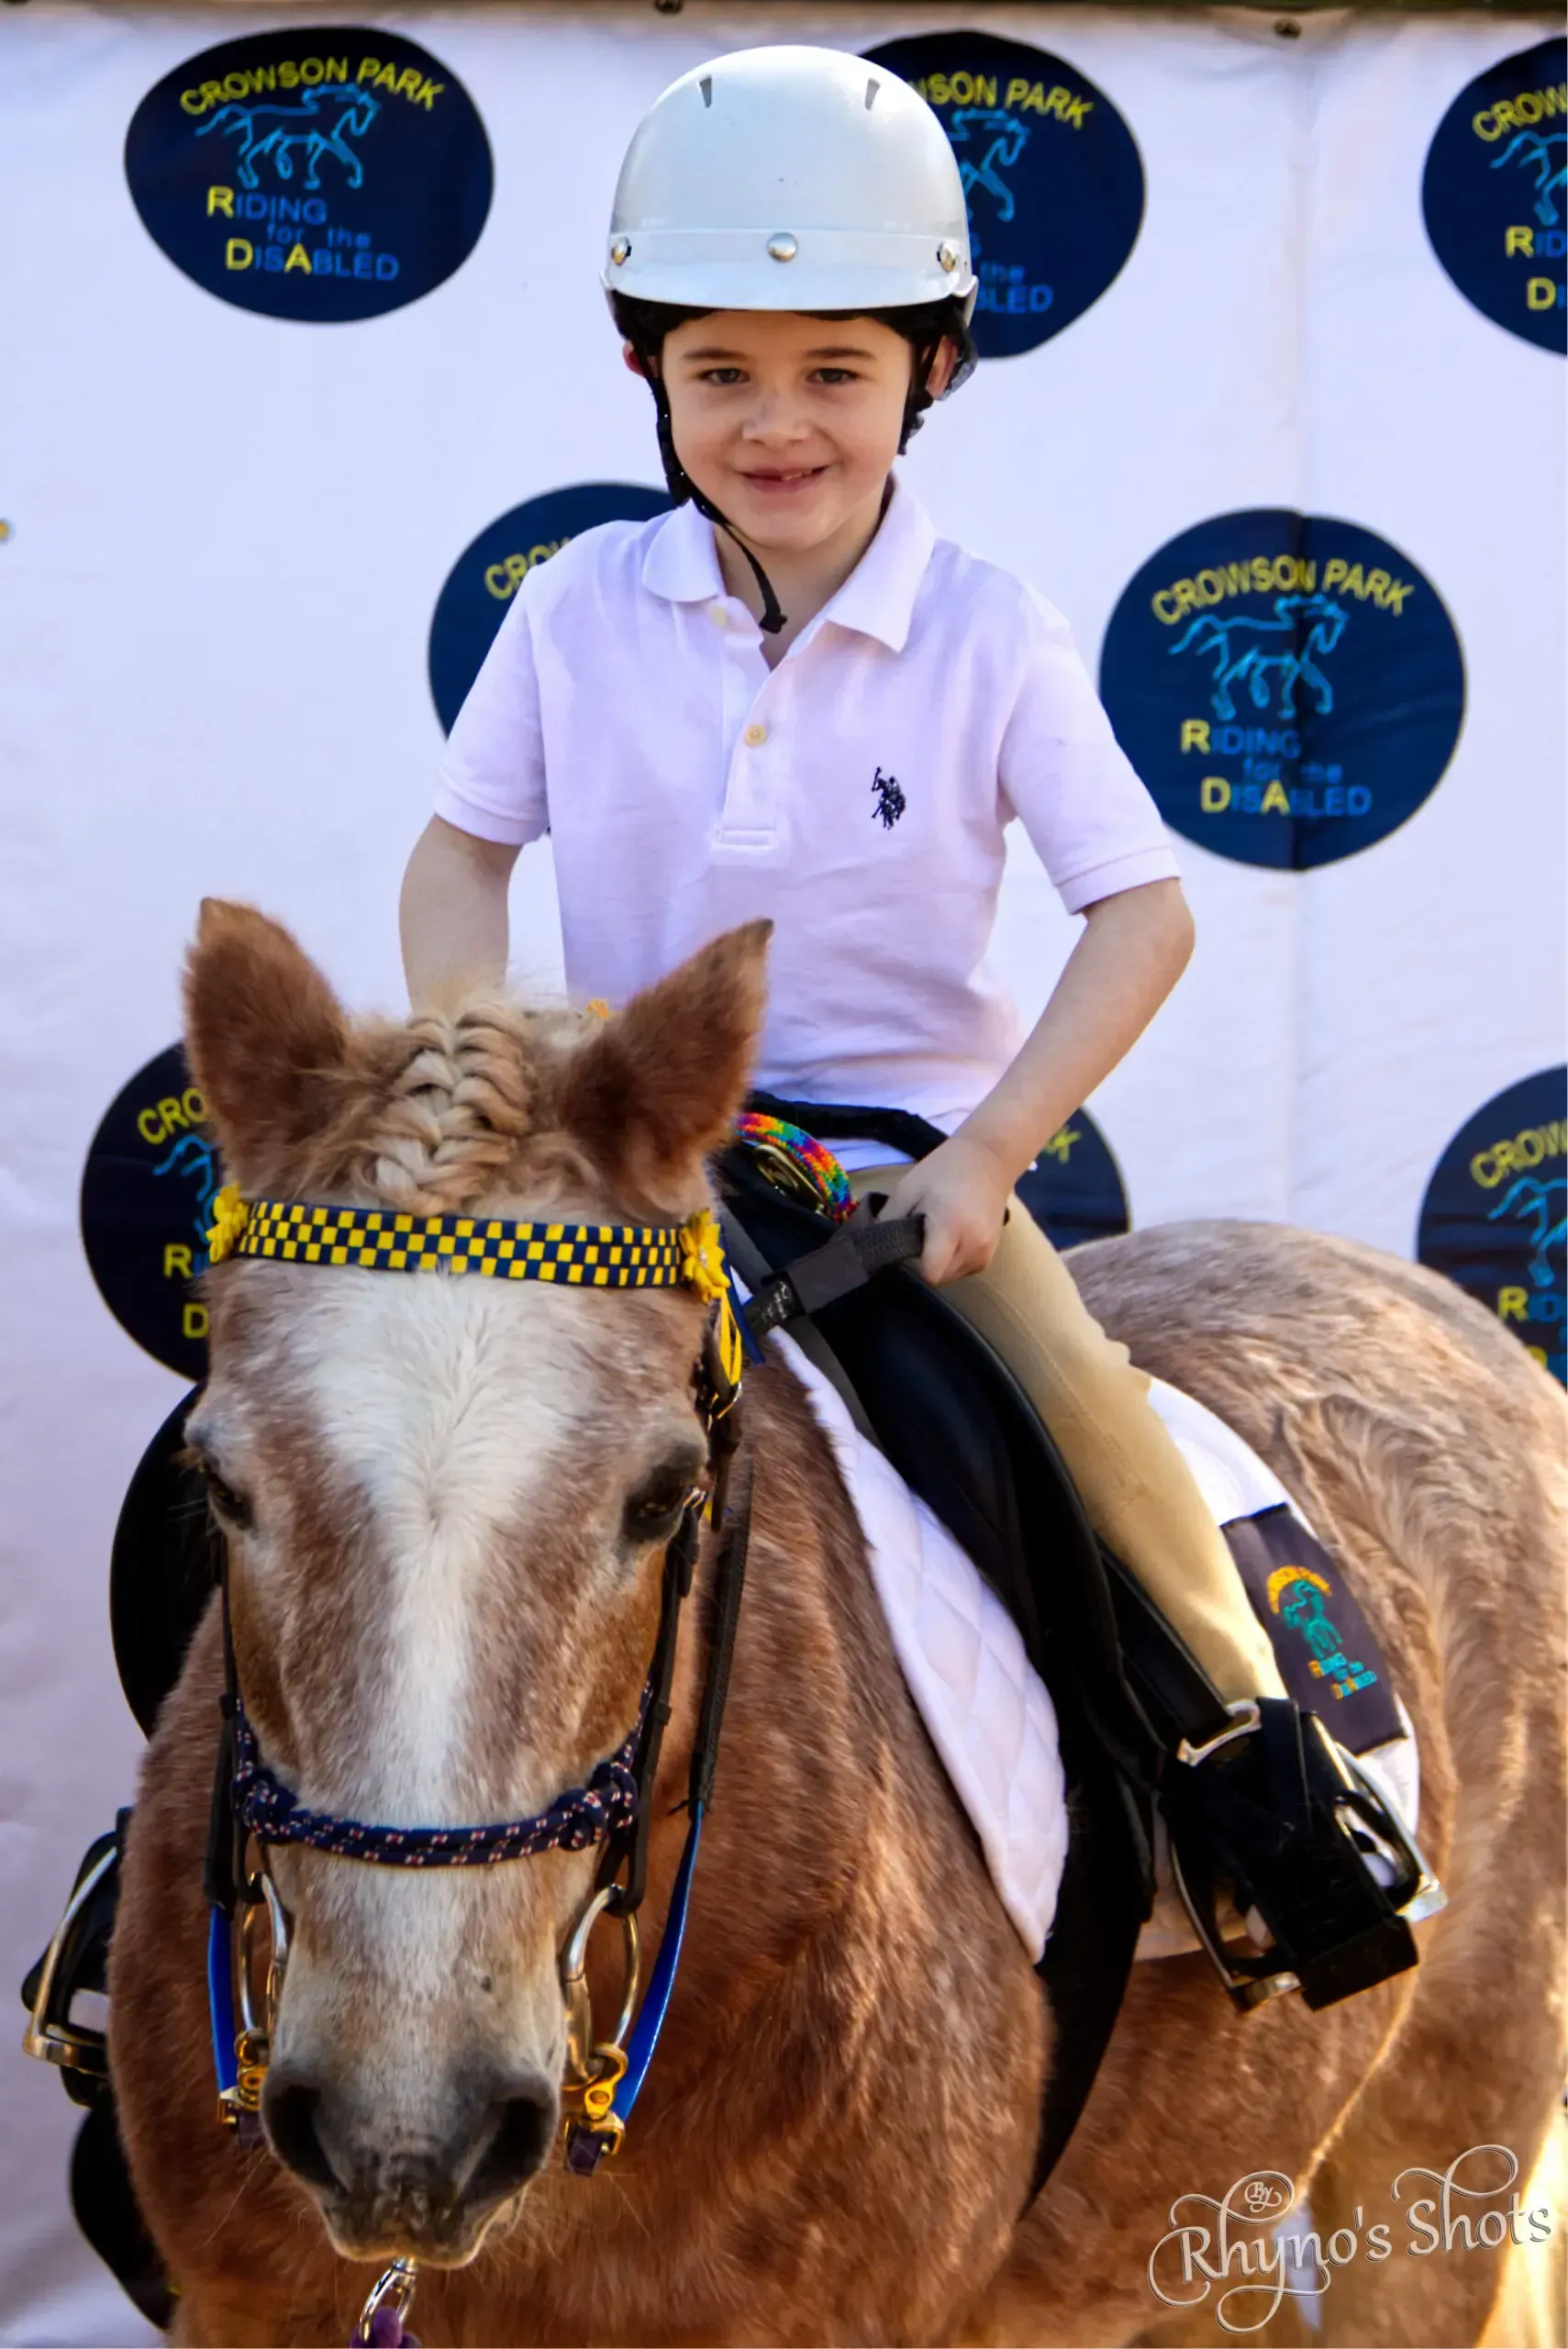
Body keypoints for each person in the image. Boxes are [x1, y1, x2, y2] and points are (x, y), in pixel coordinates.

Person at [400, 44, 1422, 2004]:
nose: (775, 422)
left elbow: (1141, 913)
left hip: (894, 1178)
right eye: (721, 372)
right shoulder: (569, 610)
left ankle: (1265, 1793)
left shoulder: (991, 629)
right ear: (647, 376)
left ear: (928, 372)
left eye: (832, 370)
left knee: (1089, 1441)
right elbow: (457, 861)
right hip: (627, 1163)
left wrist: (987, 1153)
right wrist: (495, 1076)